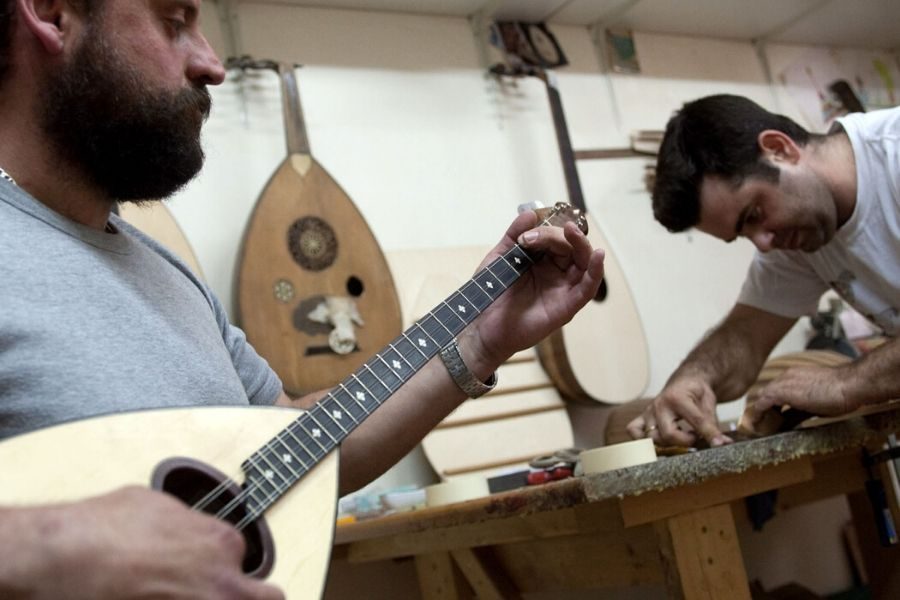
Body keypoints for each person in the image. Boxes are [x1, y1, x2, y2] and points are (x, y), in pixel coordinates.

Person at [0, 1, 606, 597]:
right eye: (174, 21)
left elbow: (299, 446)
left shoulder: (167, 274)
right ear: (53, 14)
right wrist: (51, 542)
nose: (213, 65)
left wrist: (479, 340)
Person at [627, 93, 899, 448]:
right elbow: (745, 337)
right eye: (742, 235)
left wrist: (848, 382)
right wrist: (693, 380)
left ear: (779, 149)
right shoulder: (797, 239)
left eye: (753, 214)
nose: (764, 243)